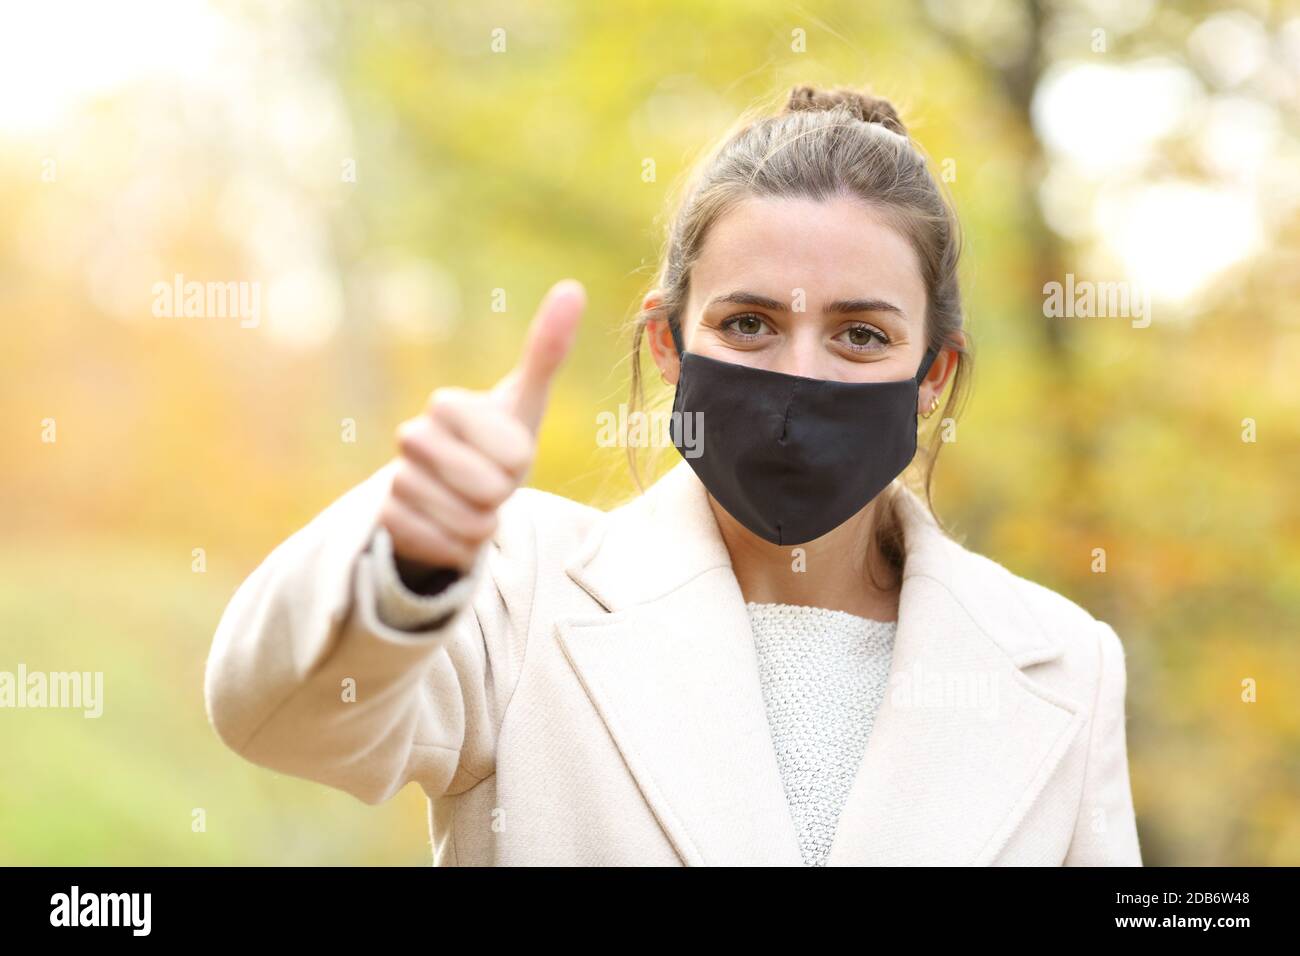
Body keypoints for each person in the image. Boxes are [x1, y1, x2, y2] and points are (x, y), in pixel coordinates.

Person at [204, 84, 1142, 866]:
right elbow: (279, 720)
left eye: (861, 335)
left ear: (932, 374)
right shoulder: (520, 591)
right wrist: (407, 555)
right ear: (666, 344)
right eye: (748, 324)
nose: (799, 376)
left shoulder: (1065, 662)